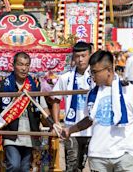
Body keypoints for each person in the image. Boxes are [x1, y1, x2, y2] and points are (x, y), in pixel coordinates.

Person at [63, 50, 133, 172]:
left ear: (109, 70)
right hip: (97, 155)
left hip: (124, 154)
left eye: (95, 72)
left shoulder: (130, 91)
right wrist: (70, 130)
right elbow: (89, 119)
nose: (92, 76)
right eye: (91, 72)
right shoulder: (92, 94)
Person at [0, 52, 49, 172]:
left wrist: (53, 123)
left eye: (27, 65)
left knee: (25, 168)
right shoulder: (3, 85)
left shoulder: (34, 85)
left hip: (30, 134)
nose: (24, 68)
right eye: (20, 64)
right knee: (14, 165)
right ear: (13, 65)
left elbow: (44, 107)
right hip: (11, 134)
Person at [51, 42, 94, 171]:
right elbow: (55, 99)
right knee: (72, 165)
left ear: (90, 55)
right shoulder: (65, 77)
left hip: (92, 129)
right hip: (71, 129)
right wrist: (57, 122)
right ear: (73, 57)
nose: (80, 59)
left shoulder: (95, 76)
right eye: (77, 56)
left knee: (90, 164)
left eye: (84, 56)